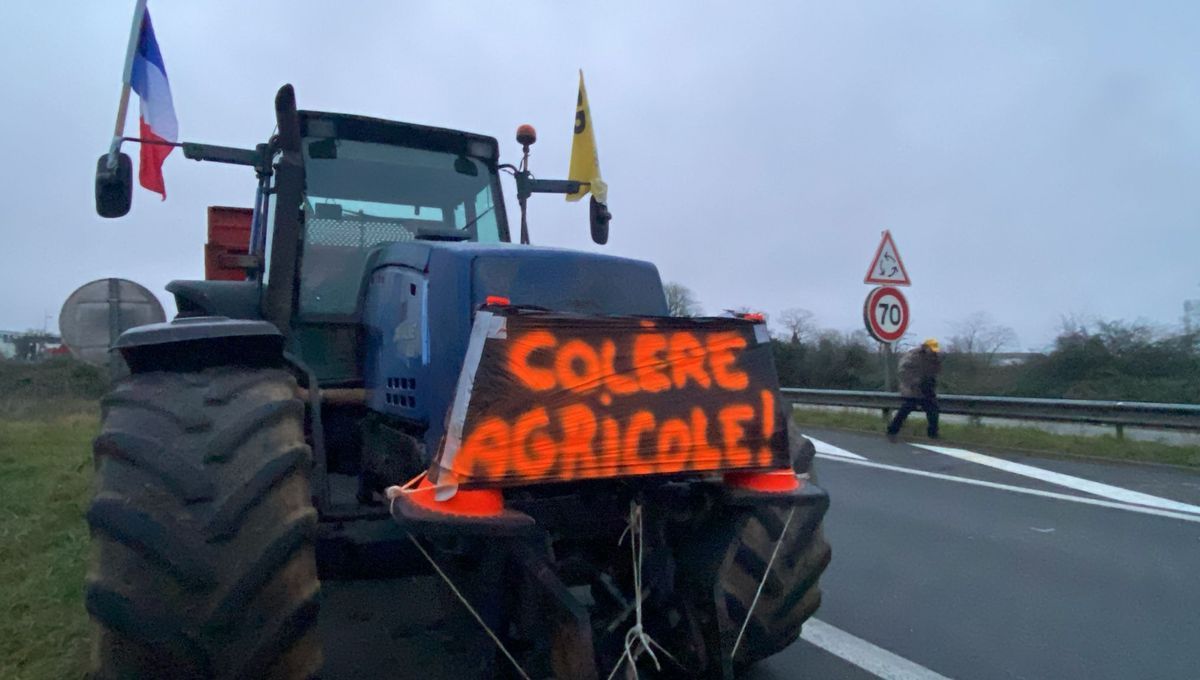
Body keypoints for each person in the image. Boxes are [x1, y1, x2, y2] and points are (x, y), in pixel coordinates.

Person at [887, 338, 942, 441]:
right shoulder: (913, 355)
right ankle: (892, 430)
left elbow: (936, 371)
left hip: (927, 388)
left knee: (933, 410)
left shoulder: (934, 358)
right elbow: (903, 370)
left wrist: (931, 380)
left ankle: (933, 434)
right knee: (905, 409)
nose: (933, 351)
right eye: (932, 349)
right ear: (926, 347)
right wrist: (914, 381)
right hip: (913, 388)